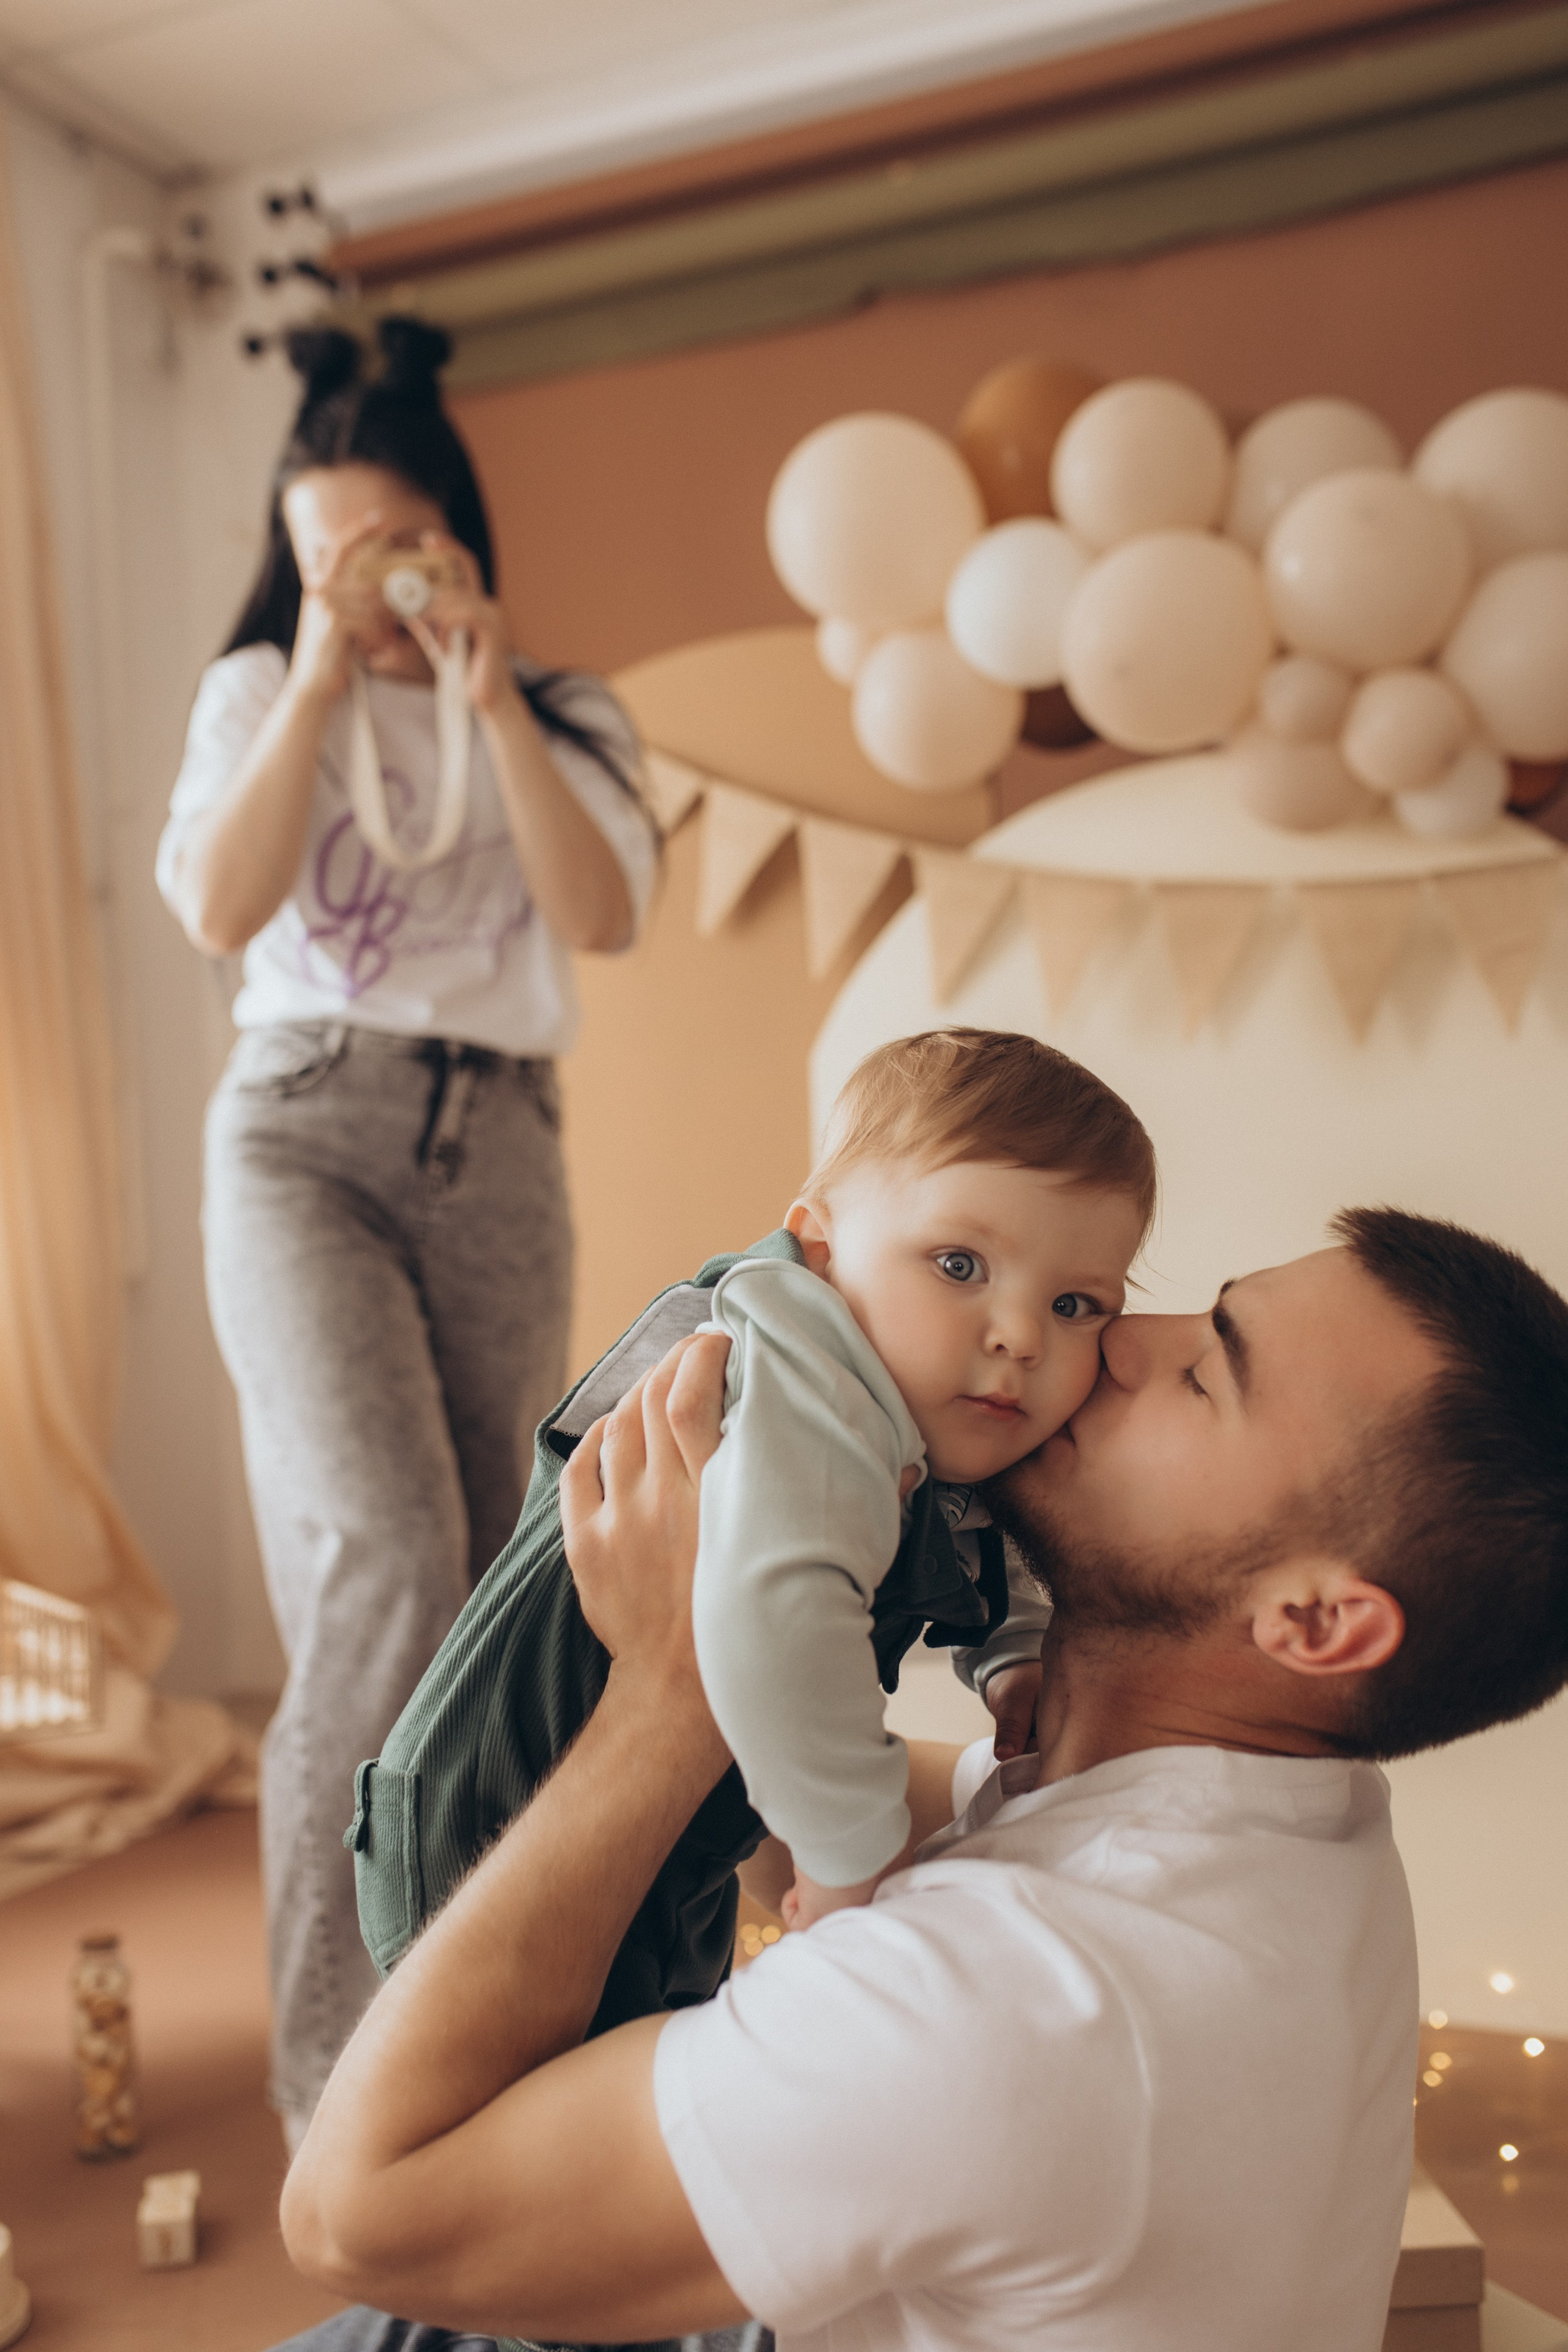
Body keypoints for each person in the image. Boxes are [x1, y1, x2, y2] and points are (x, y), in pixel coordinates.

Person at [278, 1204, 1568, 2352]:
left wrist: (667, 1699)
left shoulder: (1018, 2009)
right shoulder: (1284, 1820)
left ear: (1313, 1624)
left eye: (1201, 1373)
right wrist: (763, 1628)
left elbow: (355, 2211)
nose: (1113, 1333)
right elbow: (890, 1798)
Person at [155, 316, 658, 2150]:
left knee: (471, 1601)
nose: (354, 585)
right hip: (301, 1129)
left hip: (499, 1144)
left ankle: (452, 2039)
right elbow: (221, 903)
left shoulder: (570, 710)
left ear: (453, 537)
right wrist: (307, 669)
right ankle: (330, 2103)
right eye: (318, 555)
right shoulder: (250, 697)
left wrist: (489, 692)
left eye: (384, 547)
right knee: (377, 1557)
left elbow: (598, 915)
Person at [351, 1030, 1153, 2024]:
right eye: (959, 1263)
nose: (1022, 1335)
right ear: (820, 1247)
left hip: (666, 1844)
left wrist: (1019, 1655)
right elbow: (783, 1616)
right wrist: (853, 1859)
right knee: (556, 2121)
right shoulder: (810, 1376)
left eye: (1077, 1303)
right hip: (503, 1823)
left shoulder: (918, 1390)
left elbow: (985, 1521)